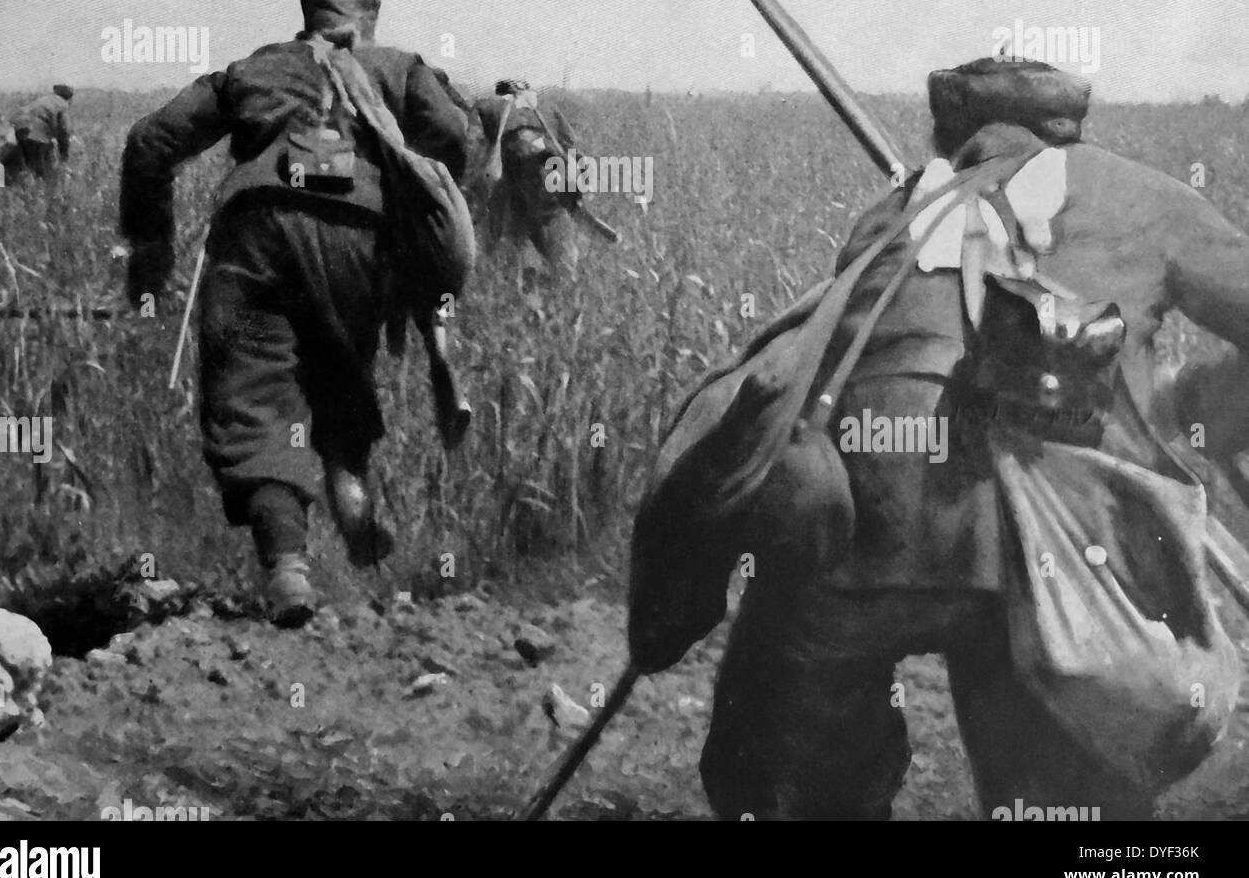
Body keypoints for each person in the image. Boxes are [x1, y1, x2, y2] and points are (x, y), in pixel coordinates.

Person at [631, 56, 1249, 821]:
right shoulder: (1145, 197)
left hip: (862, 542)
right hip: (1048, 560)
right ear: (1068, 128)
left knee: (811, 793)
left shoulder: (895, 214)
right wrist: (1202, 407)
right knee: (1069, 814)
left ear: (949, 135)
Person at [119, 0, 469, 626]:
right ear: (366, 27)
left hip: (257, 234)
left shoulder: (253, 70)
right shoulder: (400, 69)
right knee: (340, 374)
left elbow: (150, 142)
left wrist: (151, 251)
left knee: (250, 393)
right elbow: (453, 136)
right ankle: (353, 501)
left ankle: (287, 568)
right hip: (358, 241)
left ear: (305, 22)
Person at [472, 79, 581, 277]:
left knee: (512, 234)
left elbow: (473, 147)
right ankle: (557, 273)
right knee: (556, 239)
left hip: (515, 184)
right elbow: (571, 143)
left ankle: (520, 269)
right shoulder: (546, 106)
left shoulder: (487, 107)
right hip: (552, 180)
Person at [0, 84, 74, 184]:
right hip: (36, 134)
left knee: (15, 169)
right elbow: (64, 131)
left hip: (15, 130)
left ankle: (5, 187)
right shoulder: (62, 104)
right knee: (45, 174)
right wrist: (64, 156)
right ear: (69, 98)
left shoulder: (43, 99)